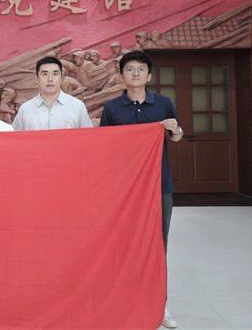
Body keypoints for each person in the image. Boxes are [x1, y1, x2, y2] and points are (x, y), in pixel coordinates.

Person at [99, 51, 182, 329]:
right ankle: (125, 300)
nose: (135, 74)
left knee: (158, 245)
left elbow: (177, 136)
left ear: (149, 75)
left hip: (159, 186)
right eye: (130, 69)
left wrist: (174, 129)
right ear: (121, 74)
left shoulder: (164, 103)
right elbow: (104, 147)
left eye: (141, 69)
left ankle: (159, 304)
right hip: (123, 191)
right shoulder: (112, 108)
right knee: (123, 245)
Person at [12, 56, 93, 131]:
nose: (50, 79)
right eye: (45, 74)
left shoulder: (77, 106)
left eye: (55, 74)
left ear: (61, 78)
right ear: (37, 79)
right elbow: (15, 139)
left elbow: (89, 138)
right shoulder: (25, 109)